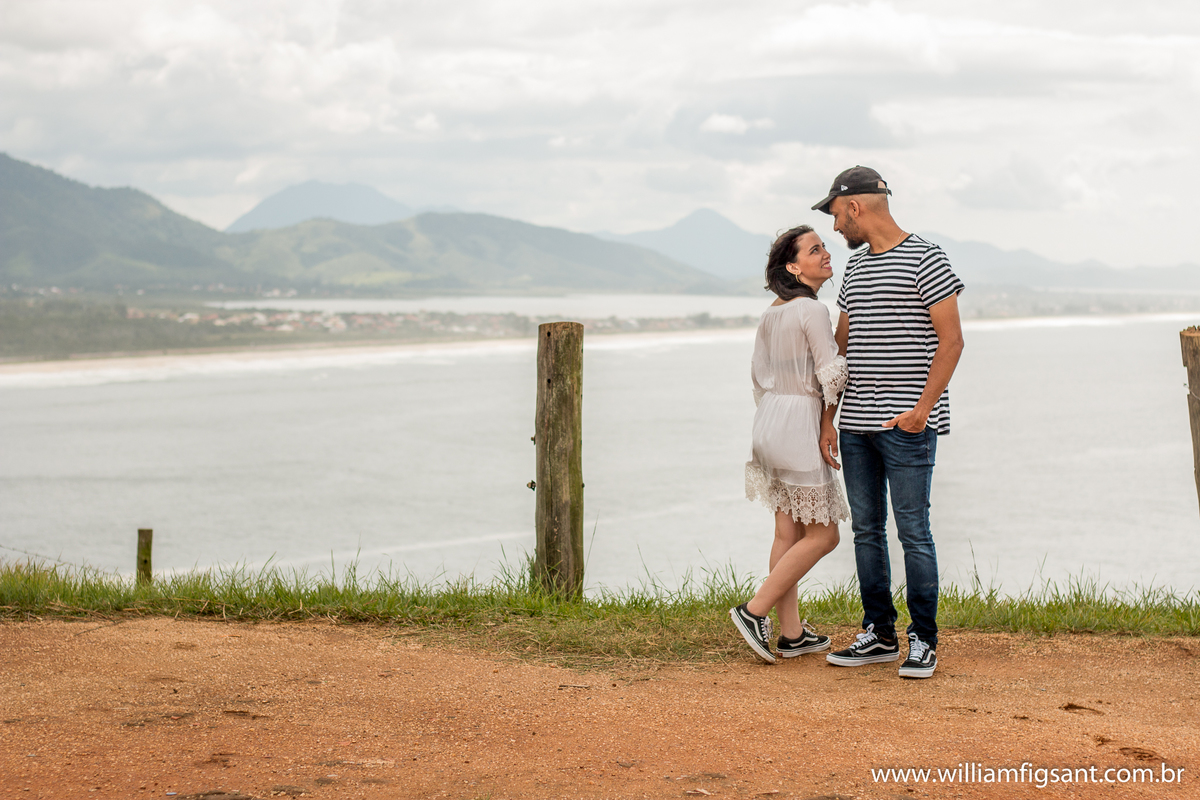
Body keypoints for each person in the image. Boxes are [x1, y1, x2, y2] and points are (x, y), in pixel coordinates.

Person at [811, 166, 964, 679]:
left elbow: (952, 342)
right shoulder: (854, 271)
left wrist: (922, 411)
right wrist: (831, 418)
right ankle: (878, 633)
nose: (835, 228)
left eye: (835, 214)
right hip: (855, 425)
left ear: (854, 206)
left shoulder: (926, 258)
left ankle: (923, 639)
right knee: (868, 532)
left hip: (907, 428)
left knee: (914, 531)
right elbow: (842, 350)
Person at [729, 225, 850, 664]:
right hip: (798, 423)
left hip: (769, 421)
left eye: (824, 246)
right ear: (794, 267)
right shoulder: (812, 310)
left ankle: (793, 634)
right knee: (825, 535)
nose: (825, 254)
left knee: (787, 530)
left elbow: (759, 377)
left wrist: (777, 413)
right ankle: (753, 610)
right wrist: (845, 339)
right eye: (815, 249)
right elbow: (831, 374)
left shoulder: (771, 312)